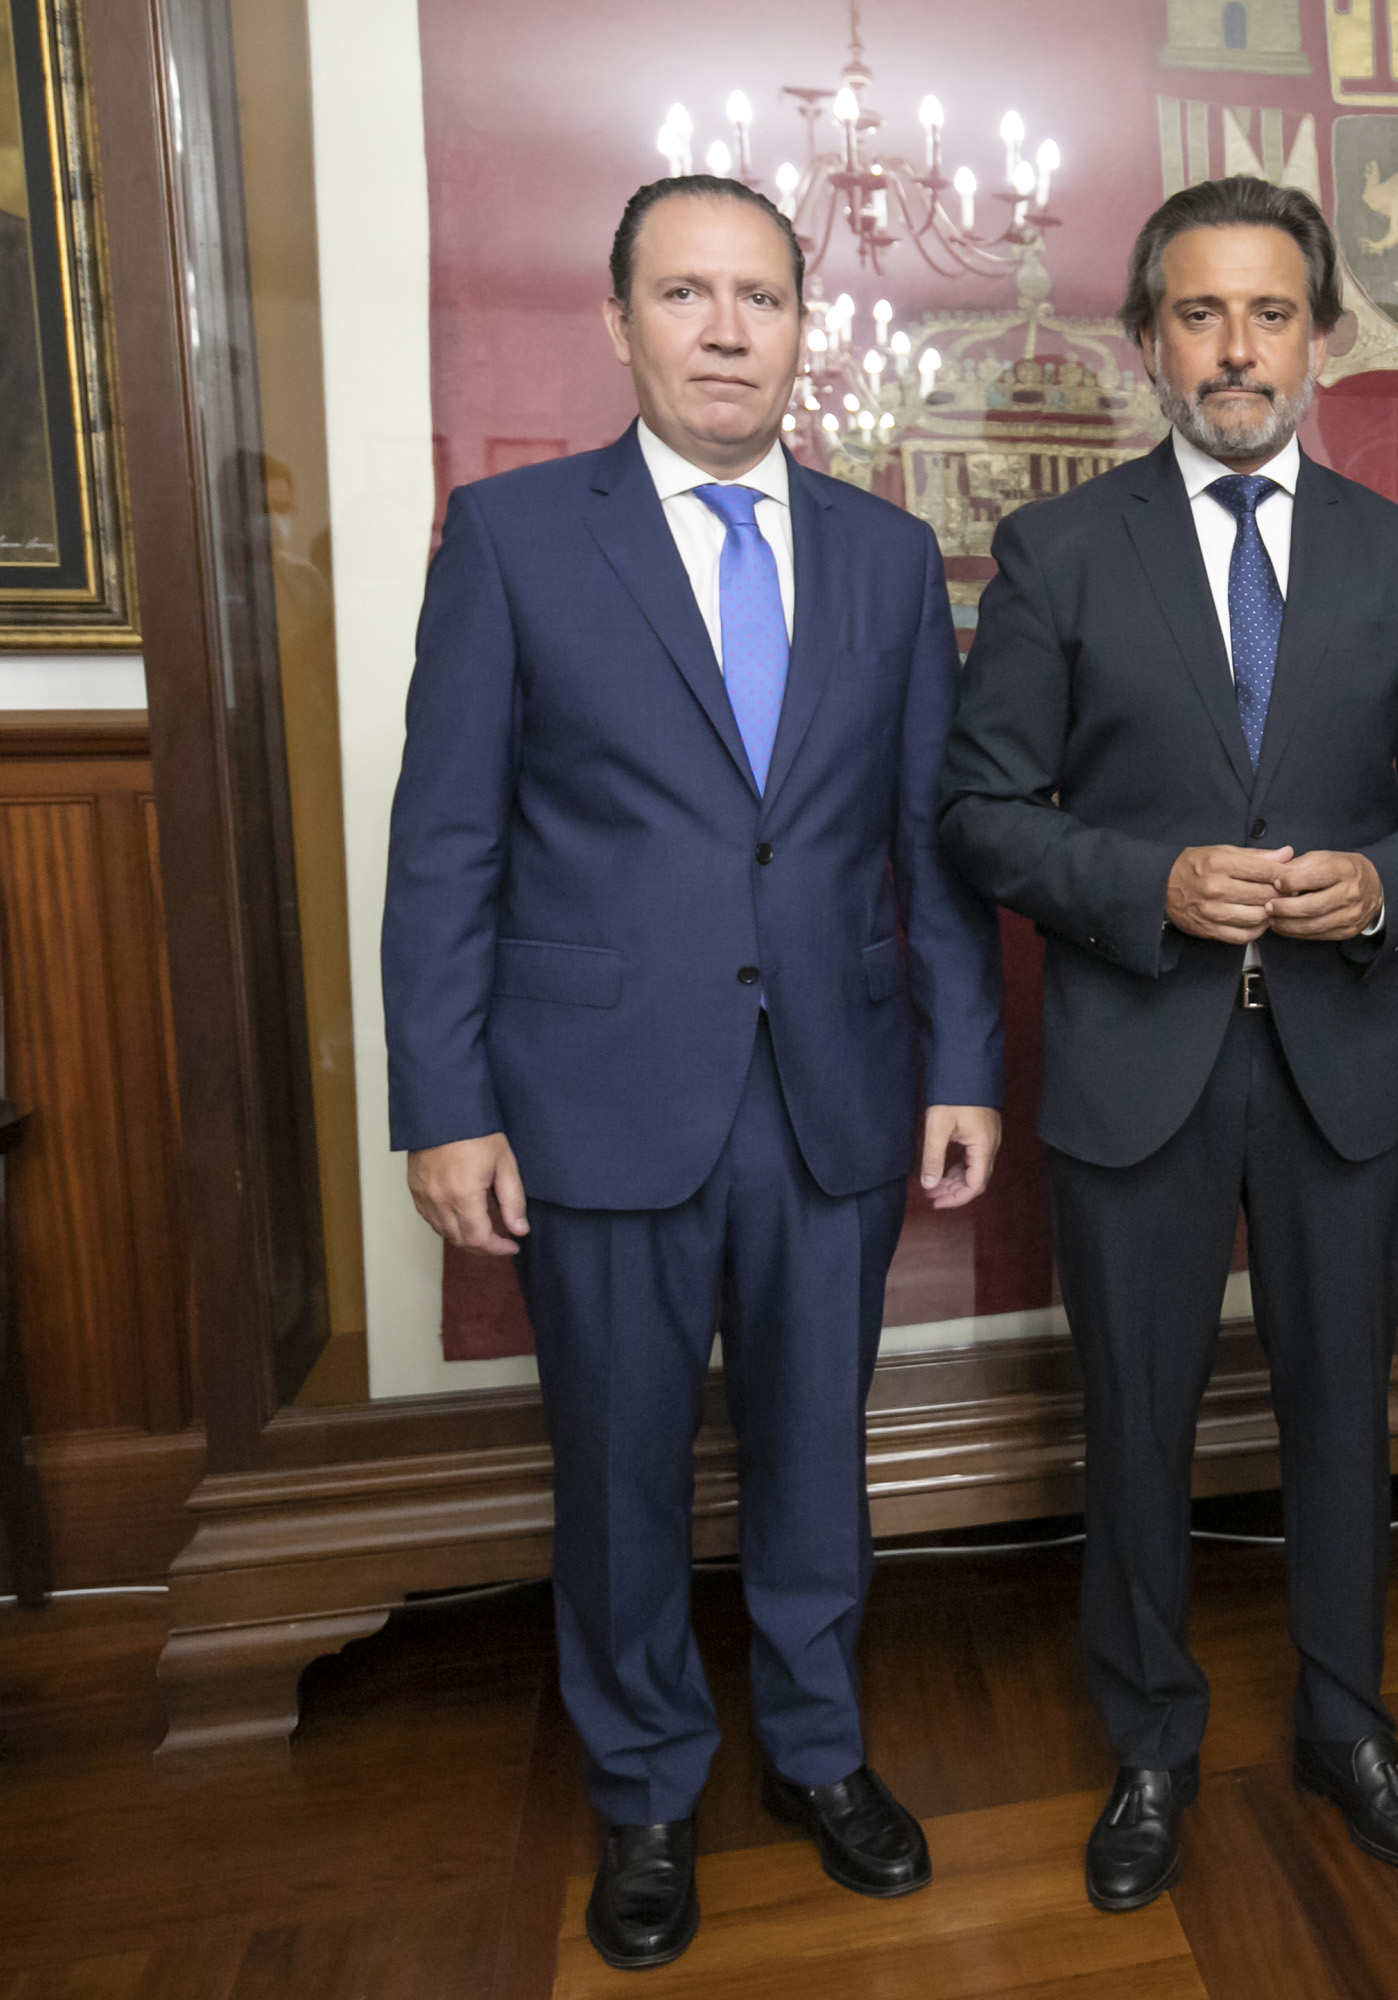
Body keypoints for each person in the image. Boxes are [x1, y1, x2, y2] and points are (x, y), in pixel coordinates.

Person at [381, 178, 1003, 1970]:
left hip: (834, 1091)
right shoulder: (511, 538)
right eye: (685, 294)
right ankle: (646, 1784)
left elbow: (929, 842)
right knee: (619, 1466)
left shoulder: (889, 556)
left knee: (819, 1453)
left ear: (806, 328)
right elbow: (445, 844)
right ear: (618, 321)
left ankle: (816, 1752)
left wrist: (962, 1062)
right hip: (591, 1099)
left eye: (761, 297)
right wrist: (445, 1102)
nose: (727, 330)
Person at [937, 175, 1398, 1914]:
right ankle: (1151, 1745)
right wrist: (1151, 885)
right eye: (1201, 315)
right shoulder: (1058, 553)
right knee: (1137, 1423)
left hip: (1340, 1064)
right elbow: (978, 812)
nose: (1238, 349)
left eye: (1270, 314)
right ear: (1146, 342)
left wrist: (1383, 885)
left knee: (1344, 1415)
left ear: (1323, 337)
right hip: (1136, 1062)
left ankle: (1347, 1726)